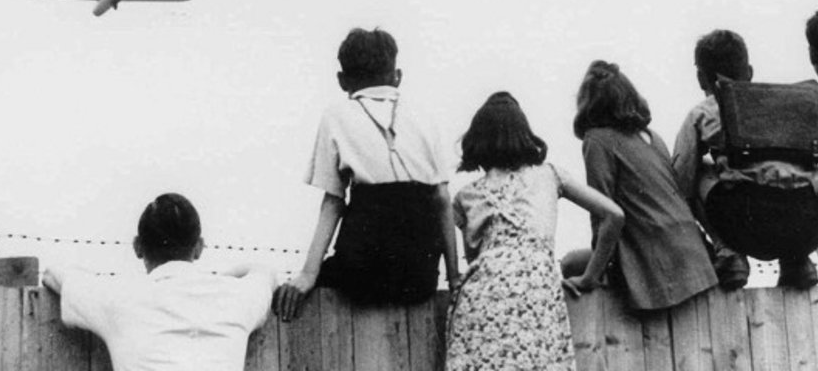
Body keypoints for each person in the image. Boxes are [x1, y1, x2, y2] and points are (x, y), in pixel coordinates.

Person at [273, 28, 459, 321]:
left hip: (361, 275)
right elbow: (442, 199)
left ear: (342, 80)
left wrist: (308, 274)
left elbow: (333, 202)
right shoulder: (425, 117)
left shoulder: (336, 115)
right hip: (420, 277)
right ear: (397, 77)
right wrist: (454, 276)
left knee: (315, 284)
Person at [448, 92, 624, 371]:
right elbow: (614, 215)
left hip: (480, 299)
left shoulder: (466, 196)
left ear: (476, 142)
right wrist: (590, 276)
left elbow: (472, 259)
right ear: (524, 135)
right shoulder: (550, 175)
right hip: (536, 293)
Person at [43, 193, 275, 371]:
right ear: (199, 247)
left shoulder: (120, 298)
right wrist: (221, 279)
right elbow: (265, 271)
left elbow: (53, 274)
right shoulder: (236, 298)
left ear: (138, 247)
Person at [673, 30, 818, 289]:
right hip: (808, 224)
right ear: (749, 72)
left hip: (745, 223)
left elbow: (680, 180)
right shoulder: (793, 104)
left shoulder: (703, 111)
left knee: (697, 170)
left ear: (701, 78)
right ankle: (797, 262)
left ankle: (729, 255)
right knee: (795, 170)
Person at [569, 60, 716, 310]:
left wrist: (591, 277)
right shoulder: (652, 136)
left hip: (656, 259)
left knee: (570, 264)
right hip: (695, 256)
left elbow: (603, 215)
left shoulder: (597, 140)